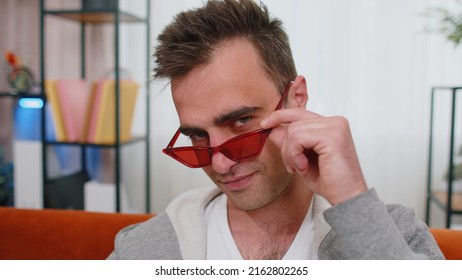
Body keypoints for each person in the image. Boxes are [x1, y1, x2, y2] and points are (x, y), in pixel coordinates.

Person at [108, 0, 444, 260]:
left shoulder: (395, 233)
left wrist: (353, 201)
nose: (221, 165)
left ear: (295, 99)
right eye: (198, 135)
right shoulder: (148, 247)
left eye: (241, 121)